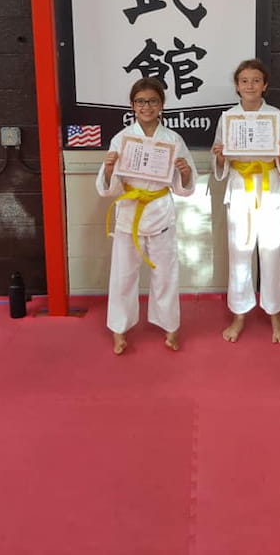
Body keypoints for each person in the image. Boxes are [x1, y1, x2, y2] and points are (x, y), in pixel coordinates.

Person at [97, 78, 197, 355]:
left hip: (160, 211)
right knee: (123, 275)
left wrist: (185, 171)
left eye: (153, 101)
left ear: (162, 105)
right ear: (132, 106)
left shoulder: (173, 140)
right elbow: (108, 188)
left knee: (165, 274)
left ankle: (170, 327)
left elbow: (184, 187)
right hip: (130, 213)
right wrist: (108, 169)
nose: (146, 106)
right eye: (140, 101)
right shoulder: (122, 139)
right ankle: (119, 329)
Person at [211, 59, 280, 344]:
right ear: (237, 86)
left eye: (256, 80)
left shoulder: (276, 116)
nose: (250, 85)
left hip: (269, 186)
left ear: (265, 85)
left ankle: (275, 313)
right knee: (239, 251)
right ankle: (239, 313)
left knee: (272, 251)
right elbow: (220, 161)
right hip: (240, 187)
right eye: (244, 81)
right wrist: (220, 156)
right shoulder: (228, 118)